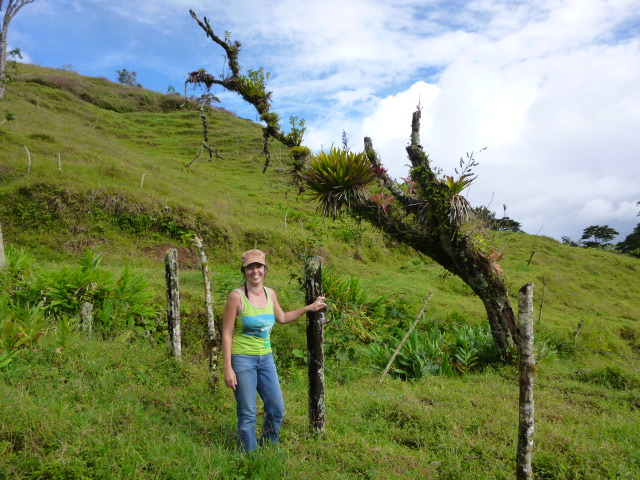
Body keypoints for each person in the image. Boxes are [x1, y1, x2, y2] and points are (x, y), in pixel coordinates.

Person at [222, 249, 326, 452]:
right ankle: (249, 456)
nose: (255, 271)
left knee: (276, 408)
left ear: (265, 269)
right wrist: (228, 368)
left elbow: (283, 317)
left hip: (266, 359)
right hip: (243, 360)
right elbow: (226, 334)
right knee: (248, 412)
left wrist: (309, 308)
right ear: (244, 270)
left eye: (258, 266)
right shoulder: (236, 297)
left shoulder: (271, 294)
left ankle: (269, 445)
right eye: (250, 267)